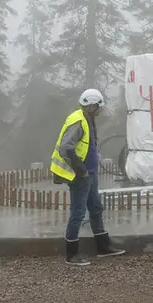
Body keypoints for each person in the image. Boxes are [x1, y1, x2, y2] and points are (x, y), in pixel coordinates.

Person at [50, 88, 126, 265]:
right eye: (99, 107)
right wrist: (81, 170)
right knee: (78, 212)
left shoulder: (87, 118)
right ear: (92, 106)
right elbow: (66, 148)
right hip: (81, 175)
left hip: (90, 173)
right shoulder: (78, 121)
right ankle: (72, 253)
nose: (101, 110)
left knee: (96, 208)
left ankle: (103, 247)